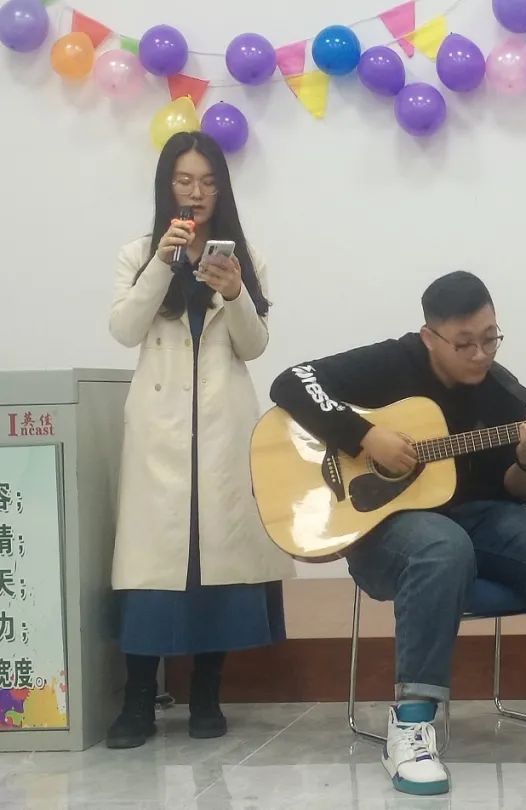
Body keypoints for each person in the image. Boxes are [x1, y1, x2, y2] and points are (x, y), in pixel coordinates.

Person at [268, 271, 526, 796]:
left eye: (490, 338)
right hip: (384, 531)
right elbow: (292, 381)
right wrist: (365, 436)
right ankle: (410, 723)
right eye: (464, 343)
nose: (480, 354)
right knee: (442, 546)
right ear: (429, 337)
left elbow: (514, 494)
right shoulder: (393, 362)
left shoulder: (501, 390)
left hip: (477, 519)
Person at [106, 131, 291, 749]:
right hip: (159, 430)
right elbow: (124, 328)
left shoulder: (245, 257)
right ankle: (137, 701)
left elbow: (254, 346)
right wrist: (161, 263)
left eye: (209, 182)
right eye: (185, 180)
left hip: (220, 426)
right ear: (167, 186)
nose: (197, 192)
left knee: (217, 563)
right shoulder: (138, 253)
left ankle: (207, 696)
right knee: (152, 570)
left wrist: (234, 291)